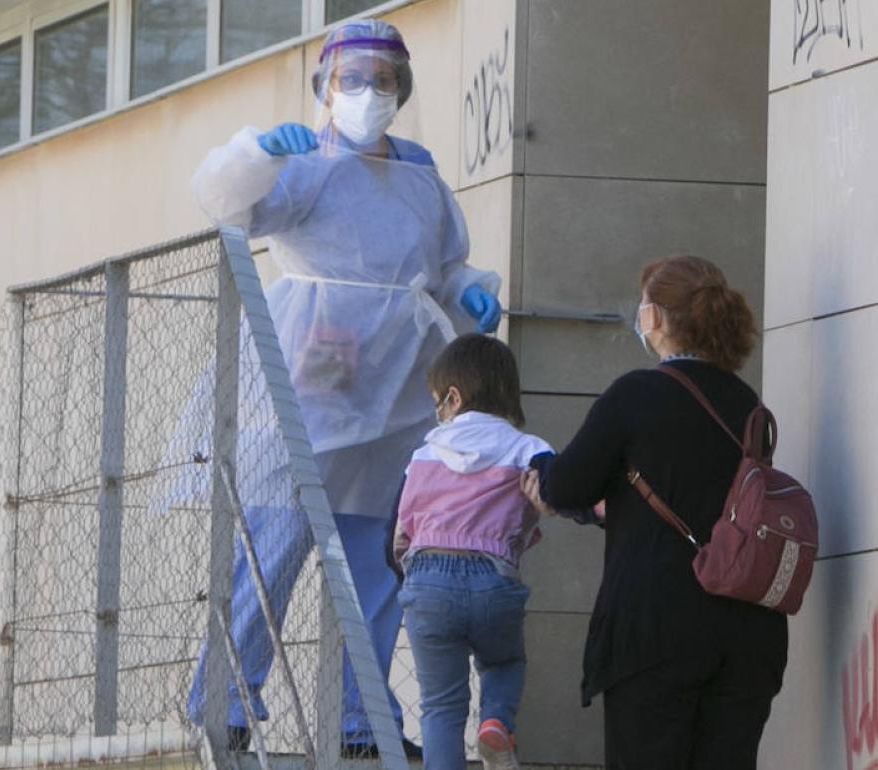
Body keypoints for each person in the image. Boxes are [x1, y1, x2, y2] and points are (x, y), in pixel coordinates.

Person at [186, 18, 503, 758]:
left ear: (403, 89)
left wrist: (470, 292)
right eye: (350, 79)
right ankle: (222, 696)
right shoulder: (307, 163)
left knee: (378, 555)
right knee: (276, 540)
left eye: (383, 79)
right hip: (311, 378)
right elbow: (225, 206)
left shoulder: (419, 171)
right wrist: (254, 155)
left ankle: (362, 718)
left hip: (396, 389)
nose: (367, 92)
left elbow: (442, 262)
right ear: (325, 89)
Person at [521, 255, 787, 769]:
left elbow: (568, 482)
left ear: (657, 318)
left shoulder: (637, 394)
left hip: (655, 627)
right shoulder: (746, 401)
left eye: (644, 303)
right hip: (748, 631)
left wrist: (542, 474)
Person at [394, 334, 599, 770]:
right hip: (492, 579)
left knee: (441, 707)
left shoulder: (424, 454)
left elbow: (398, 535)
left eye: (437, 402)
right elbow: (565, 491)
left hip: (427, 582)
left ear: (452, 397)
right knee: (503, 661)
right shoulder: (528, 449)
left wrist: (408, 579)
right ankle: (495, 722)